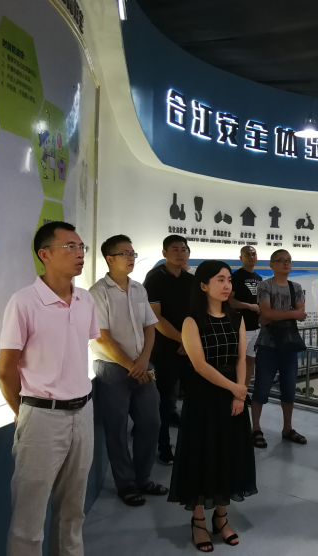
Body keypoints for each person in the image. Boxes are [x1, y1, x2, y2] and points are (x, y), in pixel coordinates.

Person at [0, 221, 100, 556]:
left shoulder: (85, 300)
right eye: (70, 247)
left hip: (83, 412)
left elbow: (78, 349)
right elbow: (6, 371)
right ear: (45, 254)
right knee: (29, 517)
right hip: (42, 415)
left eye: (81, 247)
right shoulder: (24, 302)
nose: (79, 253)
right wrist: (25, 412)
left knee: (73, 510)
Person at [168, 260, 257, 552]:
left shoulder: (236, 317)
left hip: (233, 398)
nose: (227, 285)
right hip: (204, 397)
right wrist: (235, 389)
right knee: (201, 456)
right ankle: (198, 521)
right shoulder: (192, 321)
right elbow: (200, 365)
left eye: (228, 279)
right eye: (220, 279)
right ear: (204, 285)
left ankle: (221, 517)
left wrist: (239, 395)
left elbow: (241, 358)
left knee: (228, 456)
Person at [89, 234, 168, 507]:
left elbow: (149, 326)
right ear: (110, 259)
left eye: (133, 253)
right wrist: (132, 365)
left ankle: (143, 478)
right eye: (125, 253)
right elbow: (101, 337)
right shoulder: (98, 293)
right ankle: (126, 484)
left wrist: (144, 361)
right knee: (117, 428)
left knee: (151, 422)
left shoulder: (138, 289)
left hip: (142, 366)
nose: (131, 257)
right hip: (112, 369)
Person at [144, 235, 194, 466]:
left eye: (184, 249)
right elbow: (155, 317)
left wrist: (190, 340)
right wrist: (182, 339)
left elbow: (196, 313)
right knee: (163, 400)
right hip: (163, 348)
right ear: (164, 253)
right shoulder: (154, 278)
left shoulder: (191, 280)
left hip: (189, 348)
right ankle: (163, 445)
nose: (181, 253)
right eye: (175, 249)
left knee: (193, 396)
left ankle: (192, 445)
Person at [250, 249, 308, 448]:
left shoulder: (296, 287)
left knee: (289, 390)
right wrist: (290, 314)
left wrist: (273, 315)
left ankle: (287, 428)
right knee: (261, 388)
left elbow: (300, 314)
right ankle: (256, 428)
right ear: (272, 265)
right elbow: (267, 313)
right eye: (281, 260)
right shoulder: (265, 285)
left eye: (288, 260)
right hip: (268, 345)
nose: (286, 263)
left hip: (289, 346)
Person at [228, 246, 262, 407]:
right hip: (241, 327)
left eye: (254, 253)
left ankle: (244, 391)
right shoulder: (235, 277)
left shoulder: (259, 278)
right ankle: (233, 391)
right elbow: (229, 301)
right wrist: (248, 306)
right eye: (247, 254)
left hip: (257, 327)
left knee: (250, 361)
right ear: (241, 257)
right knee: (238, 361)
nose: (251, 256)